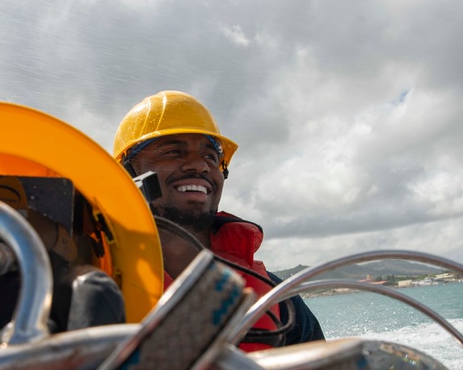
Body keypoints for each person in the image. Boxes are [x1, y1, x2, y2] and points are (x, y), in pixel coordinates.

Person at [113, 90, 324, 351]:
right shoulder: (99, 283)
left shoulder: (276, 298)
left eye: (210, 157)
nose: (199, 166)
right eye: (173, 151)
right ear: (126, 175)